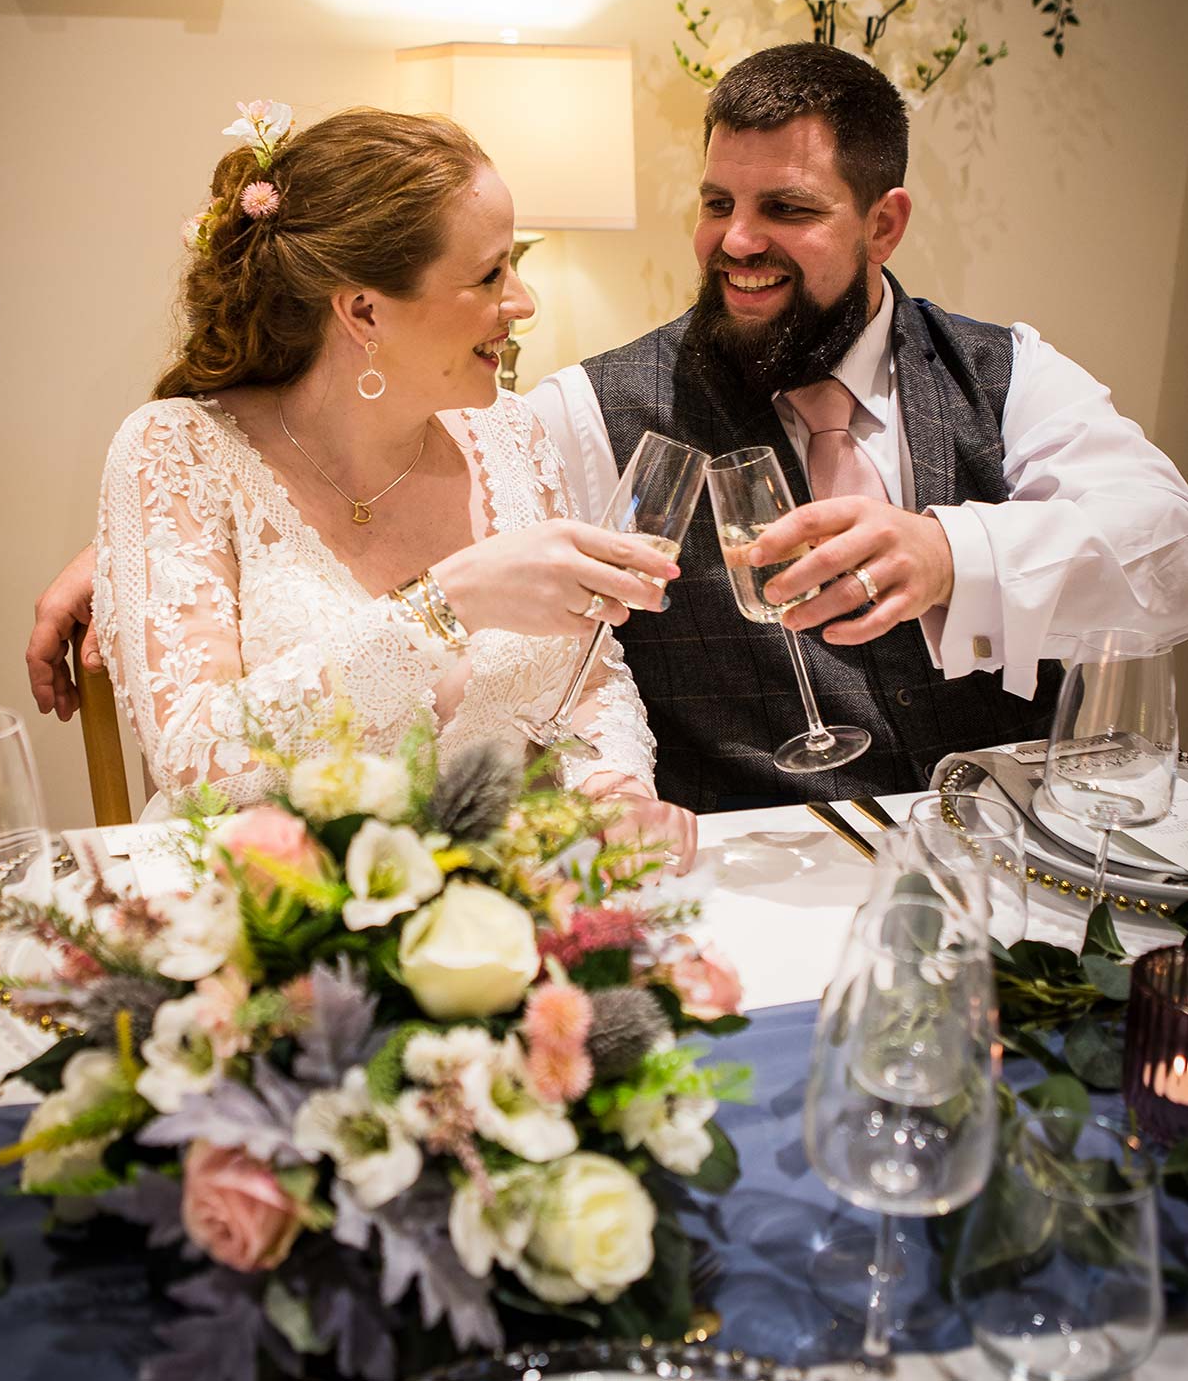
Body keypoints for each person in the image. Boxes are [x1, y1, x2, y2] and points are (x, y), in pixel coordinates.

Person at [529, 44, 1188, 807]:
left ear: (884, 225)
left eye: (787, 209)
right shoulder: (588, 411)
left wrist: (950, 555)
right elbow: (531, 673)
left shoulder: (1009, 374)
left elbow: (1167, 551)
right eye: (717, 204)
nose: (736, 241)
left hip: (1008, 842)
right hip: (752, 862)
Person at [64, 100, 698, 866]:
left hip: (495, 906)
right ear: (364, 312)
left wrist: (615, 792)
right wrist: (446, 605)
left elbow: (589, 678)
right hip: (268, 909)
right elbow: (197, 759)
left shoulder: (513, 436)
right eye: (490, 274)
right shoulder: (176, 450)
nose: (522, 303)